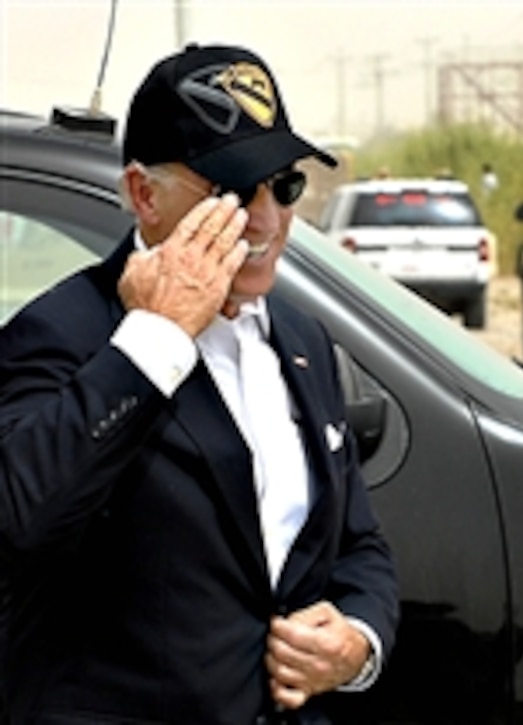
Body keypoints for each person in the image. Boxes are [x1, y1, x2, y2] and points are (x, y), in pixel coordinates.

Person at [0, 44, 399, 724]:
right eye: (234, 191)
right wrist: (157, 338)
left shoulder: (301, 339)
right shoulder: (62, 332)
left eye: (285, 185)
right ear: (142, 194)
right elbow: (18, 519)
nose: (267, 221)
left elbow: (358, 544)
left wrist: (356, 643)